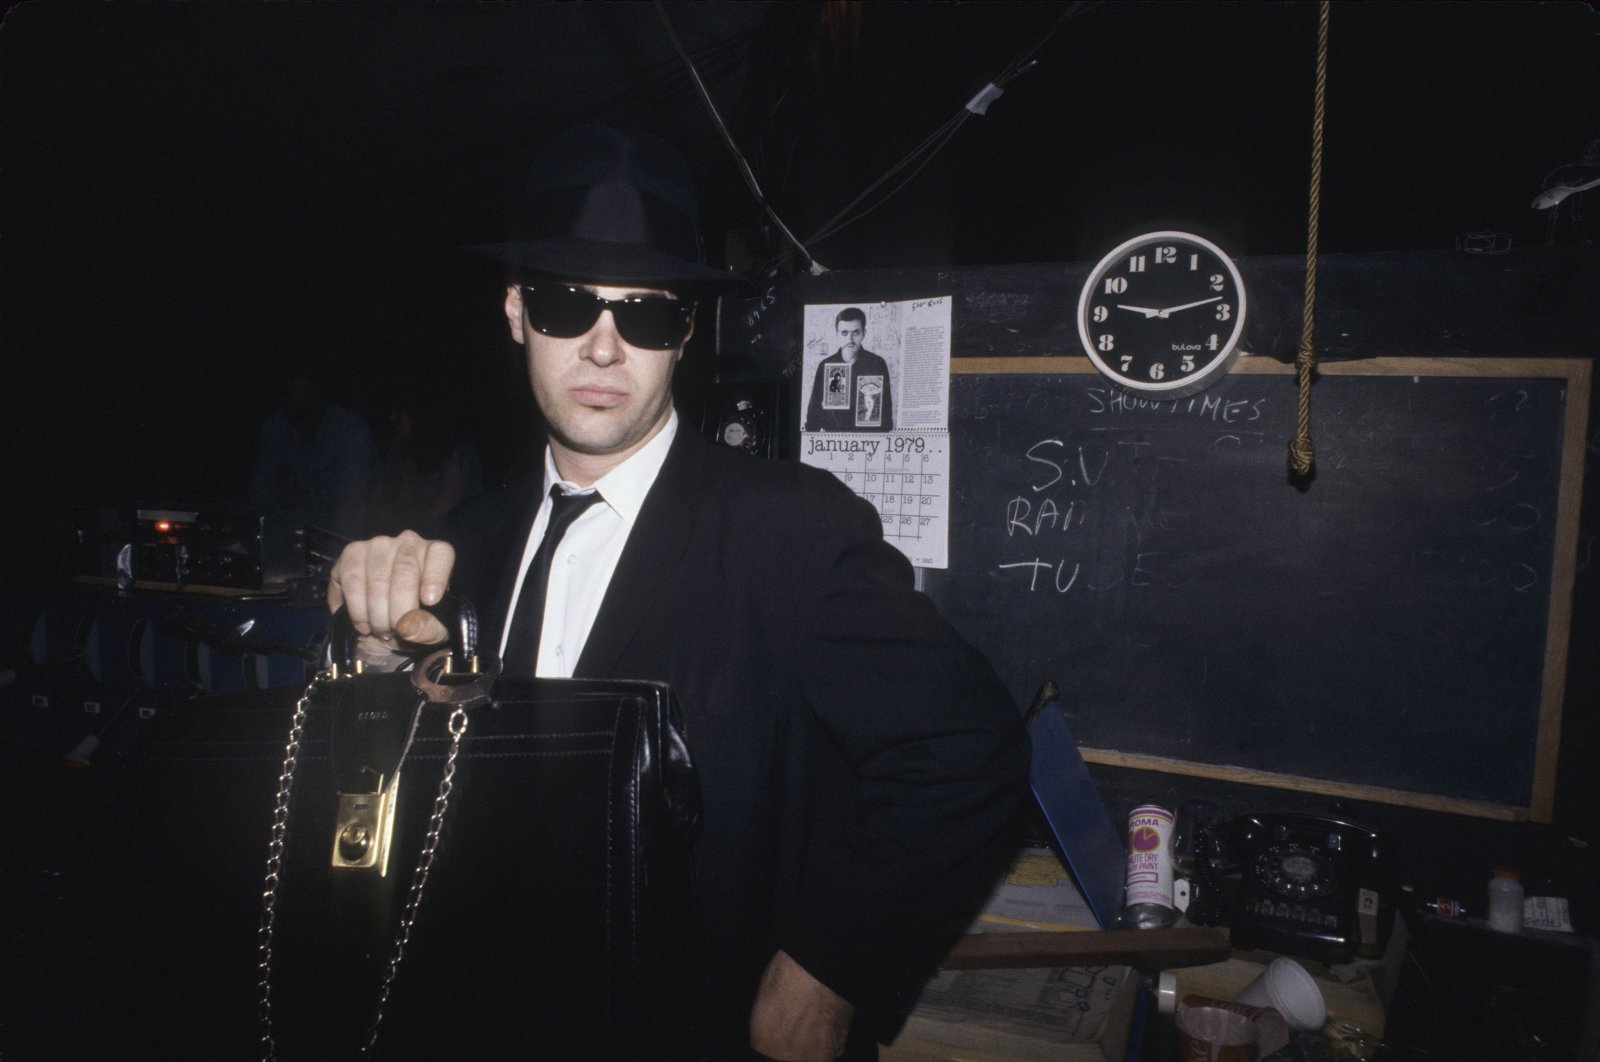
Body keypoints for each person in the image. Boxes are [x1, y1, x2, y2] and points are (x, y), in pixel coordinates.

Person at [327, 125, 1027, 1061]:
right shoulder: (470, 548)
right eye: (568, 305)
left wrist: (827, 970)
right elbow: (390, 811)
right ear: (514, 314)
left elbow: (965, 747)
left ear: (686, 334)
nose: (605, 347)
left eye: (645, 315)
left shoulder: (787, 529)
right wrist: (374, 661)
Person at [249, 364, 373, 539]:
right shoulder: (274, 430)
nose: (301, 405)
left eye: (309, 395)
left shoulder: (350, 430)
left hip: (336, 545)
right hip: (287, 544)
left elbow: (352, 511)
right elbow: (263, 502)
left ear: (324, 396)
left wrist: (337, 561)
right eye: (292, 396)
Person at [803, 308, 894, 432]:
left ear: (864, 334)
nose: (850, 339)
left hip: (869, 442)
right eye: (844, 333)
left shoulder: (877, 364)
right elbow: (813, 419)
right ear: (837, 334)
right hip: (834, 443)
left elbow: (887, 416)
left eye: (855, 332)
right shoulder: (825, 365)